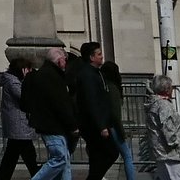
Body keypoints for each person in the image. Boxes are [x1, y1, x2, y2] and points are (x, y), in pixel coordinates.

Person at [22, 47, 78, 180]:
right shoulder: (53, 77)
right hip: (53, 126)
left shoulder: (42, 74)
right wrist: (73, 125)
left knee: (65, 162)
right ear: (59, 60)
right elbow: (61, 104)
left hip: (49, 125)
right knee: (60, 158)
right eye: (64, 59)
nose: (66, 63)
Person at [75, 42, 119, 180]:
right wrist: (101, 126)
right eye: (99, 54)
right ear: (91, 57)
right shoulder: (87, 75)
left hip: (98, 123)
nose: (102, 57)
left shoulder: (96, 73)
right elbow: (92, 101)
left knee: (96, 157)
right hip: (93, 125)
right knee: (111, 152)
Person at [0, 57, 38, 180]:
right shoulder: (13, 82)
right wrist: (28, 80)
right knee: (28, 156)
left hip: (18, 127)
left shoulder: (14, 80)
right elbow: (24, 97)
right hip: (18, 125)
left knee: (12, 156)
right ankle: (38, 176)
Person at [144, 74, 180, 180]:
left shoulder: (156, 103)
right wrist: (175, 144)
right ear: (166, 89)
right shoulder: (163, 105)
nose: (173, 89)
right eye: (171, 87)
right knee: (178, 177)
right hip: (169, 152)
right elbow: (167, 127)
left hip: (161, 150)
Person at [100, 59, 135, 180]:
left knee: (111, 154)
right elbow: (115, 114)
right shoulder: (112, 89)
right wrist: (121, 131)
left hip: (107, 125)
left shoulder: (105, 87)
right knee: (127, 155)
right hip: (113, 126)